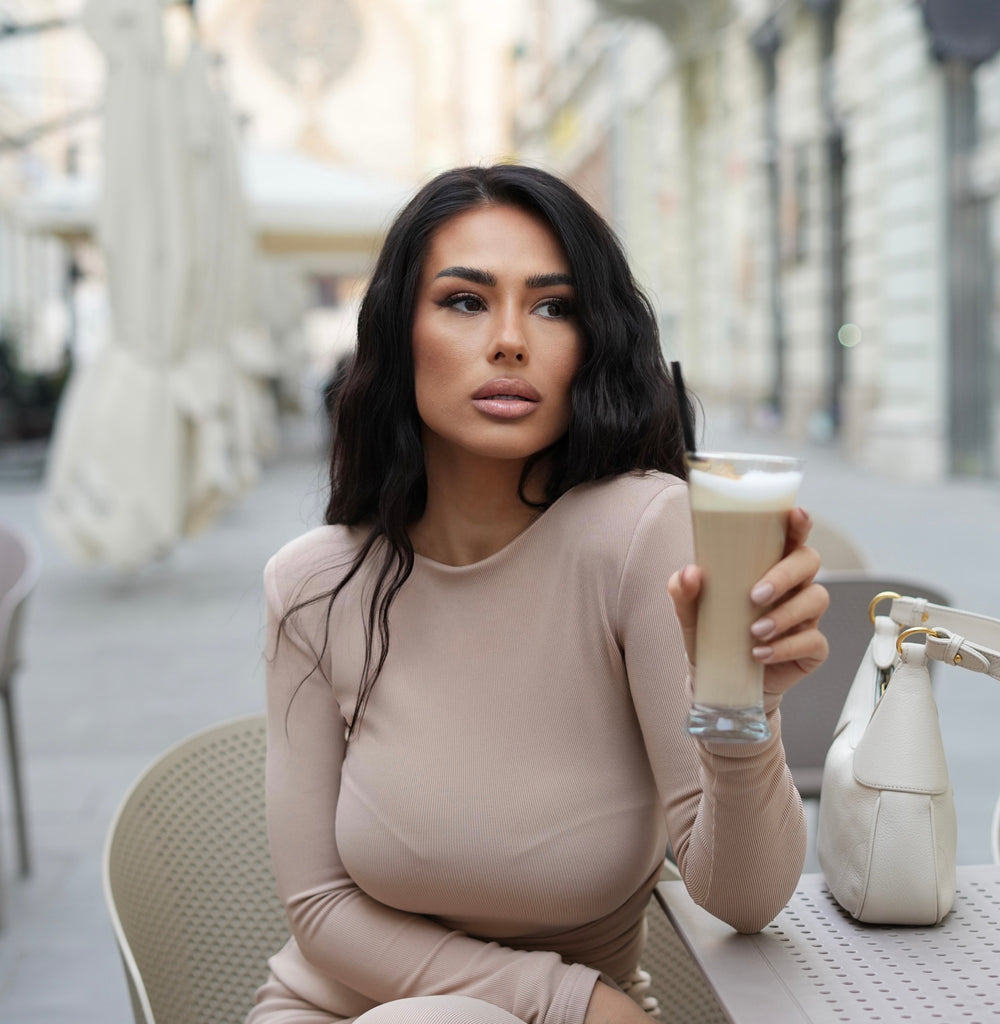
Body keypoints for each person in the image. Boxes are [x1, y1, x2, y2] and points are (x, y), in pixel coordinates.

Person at [249, 164, 829, 1024]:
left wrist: (743, 709)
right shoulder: (313, 584)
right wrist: (572, 1002)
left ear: (592, 345)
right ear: (397, 331)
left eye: (554, 307)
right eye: (464, 300)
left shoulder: (640, 533)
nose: (512, 339)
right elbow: (322, 909)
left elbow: (743, 902)